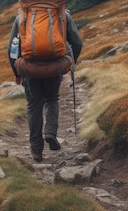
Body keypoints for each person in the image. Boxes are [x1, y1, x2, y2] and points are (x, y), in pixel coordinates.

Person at [8, 9, 82, 162]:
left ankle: (36, 150)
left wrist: (16, 73)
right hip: (54, 67)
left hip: (29, 69)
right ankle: (50, 133)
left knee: (34, 106)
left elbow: (12, 48)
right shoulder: (62, 15)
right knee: (52, 99)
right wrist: (69, 62)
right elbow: (77, 43)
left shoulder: (21, 17)